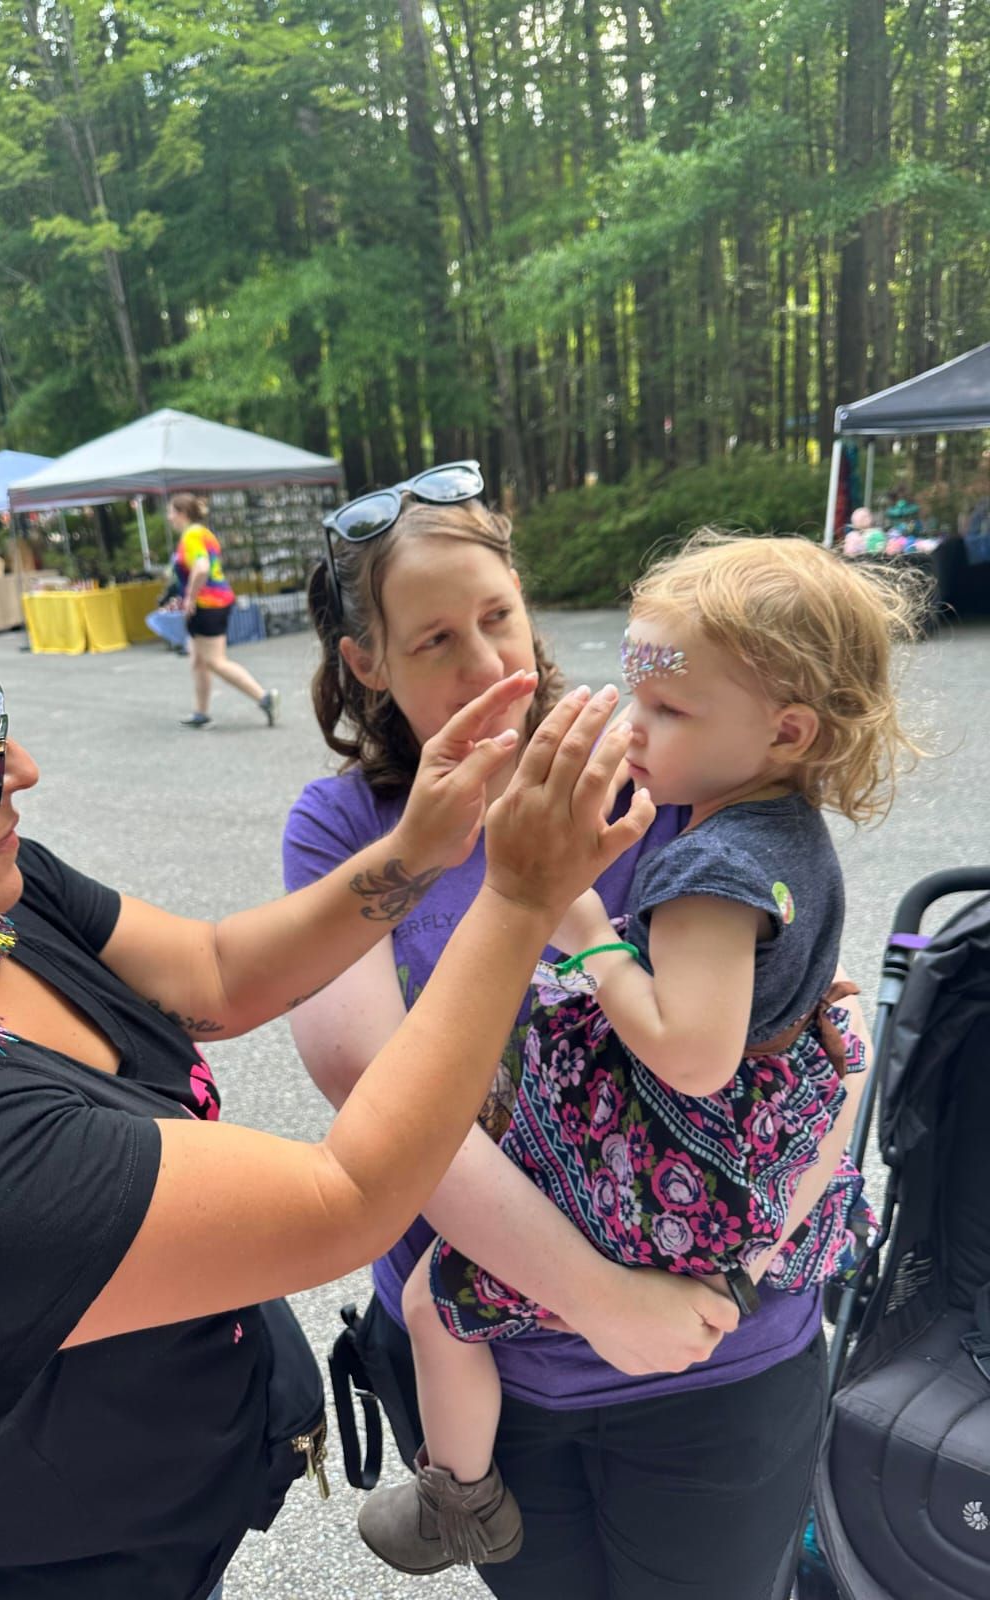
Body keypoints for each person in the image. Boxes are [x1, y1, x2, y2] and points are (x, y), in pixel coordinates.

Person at [0, 546, 651, 1600]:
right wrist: (519, 901)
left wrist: (424, 845)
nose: (23, 768)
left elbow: (214, 972)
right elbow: (345, 1196)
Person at [283, 474, 878, 1600]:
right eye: (435, 639)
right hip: (505, 1371)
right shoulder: (351, 827)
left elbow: (822, 1028)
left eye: (498, 615)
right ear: (367, 662)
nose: (483, 661)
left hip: (713, 1361)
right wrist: (601, 1298)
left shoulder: (664, 764)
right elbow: (374, 1086)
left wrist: (738, 1275)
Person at [169, 492, 279, 727]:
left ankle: (264, 697)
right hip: (217, 600)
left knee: (215, 661)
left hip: (207, 605)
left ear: (182, 513)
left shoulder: (191, 535)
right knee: (198, 659)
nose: (169, 518)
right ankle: (201, 713)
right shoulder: (205, 533)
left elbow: (201, 567)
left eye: (171, 512)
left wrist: (190, 598)